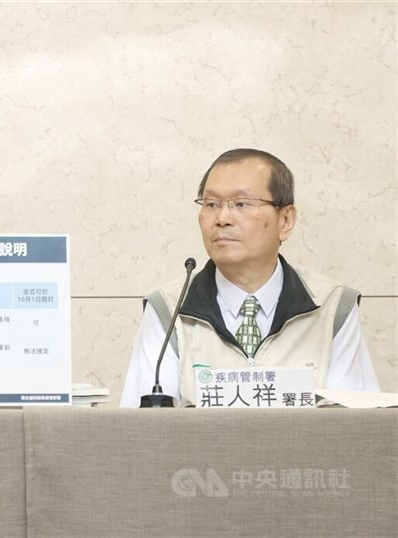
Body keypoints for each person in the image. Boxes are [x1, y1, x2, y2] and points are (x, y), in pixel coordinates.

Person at [120, 148, 381, 407]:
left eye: (241, 204)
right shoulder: (168, 309)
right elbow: (145, 435)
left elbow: (354, 431)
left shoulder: (334, 308)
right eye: (211, 204)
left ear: (286, 220)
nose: (222, 219)